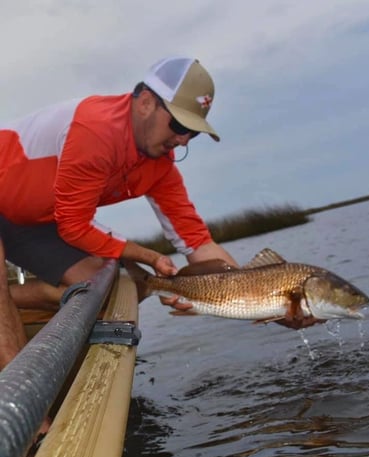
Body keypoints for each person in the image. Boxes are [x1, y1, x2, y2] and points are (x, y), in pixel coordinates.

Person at [0, 56, 238, 369]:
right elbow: (74, 226)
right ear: (146, 103)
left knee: (114, 288)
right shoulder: (97, 130)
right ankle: (29, 416)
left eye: (192, 133)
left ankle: (17, 301)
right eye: (180, 125)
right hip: (36, 206)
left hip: (37, 217)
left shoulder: (161, 164)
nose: (181, 140)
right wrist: (147, 255)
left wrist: (267, 300)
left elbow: (198, 244)